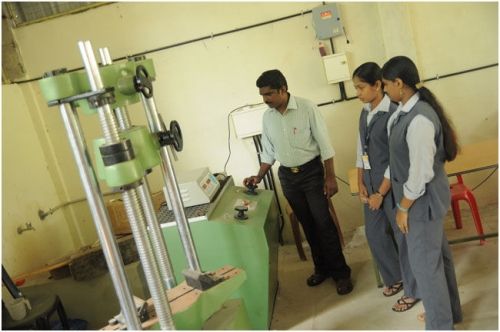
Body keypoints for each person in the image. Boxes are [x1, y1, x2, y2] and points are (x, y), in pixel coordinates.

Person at [243, 69, 353, 295]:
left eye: (270, 94)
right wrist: (258, 176)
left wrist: (330, 177)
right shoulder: (268, 117)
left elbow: (325, 145)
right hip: (287, 177)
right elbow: (268, 153)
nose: (265, 99)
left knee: (324, 223)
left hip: (312, 173)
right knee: (308, 226)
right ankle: (321, 269)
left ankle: (341, 273)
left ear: (283, 89)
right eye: (263, 95)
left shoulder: (307, 108)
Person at [381, 56, 462, 329]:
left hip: (420, 203)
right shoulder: (403, 113)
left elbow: (420, 174)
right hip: (420, 200)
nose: (384, 90)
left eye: (385, 85)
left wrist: (403, 208)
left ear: (399, 83)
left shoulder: (419, 120)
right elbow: (399, 162)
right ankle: (447, 315)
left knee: (426, 267)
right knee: (437, 260)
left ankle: (440, 324)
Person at [352, 62, 419, 311]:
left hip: (389, 185)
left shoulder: (393, 112)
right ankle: (395, 277)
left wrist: (381, 192)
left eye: (361, 88)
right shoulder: (364, 112)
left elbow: (395, 158)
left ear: (378, 85)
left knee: (402, 238)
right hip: (370, 184)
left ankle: (414, 290)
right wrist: (360, 182)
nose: (357, 93)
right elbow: (361, 150)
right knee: (375, 234)